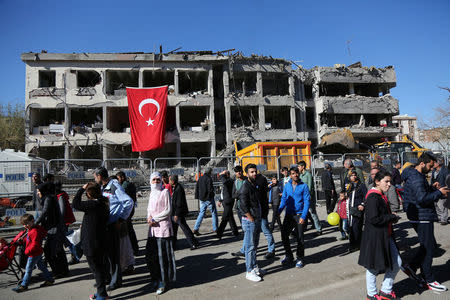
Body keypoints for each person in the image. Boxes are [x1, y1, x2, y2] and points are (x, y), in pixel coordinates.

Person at [401, 152, 449, 292]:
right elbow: (422, 199)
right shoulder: (416, 177)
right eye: (430, 165)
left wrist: (432, 188)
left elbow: (420, 193)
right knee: (428, 249)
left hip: (420, 216)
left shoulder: (416, 175)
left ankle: (412, 267)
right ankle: (429, 279)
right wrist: (439, 193)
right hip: (422, 217)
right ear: (422, 163)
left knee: (428, 246)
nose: (431, 168)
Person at [358, 170, 402, 300]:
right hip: (375, 237)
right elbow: (373, 219)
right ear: (377, 182)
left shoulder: (381, 194)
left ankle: (385, 290)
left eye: (390, 181)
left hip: (385, 235)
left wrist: (391, 218)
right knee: (373, 267)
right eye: (386, 181)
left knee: (397, 262)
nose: (389, 184)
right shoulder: (373, 197)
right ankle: (371, 294)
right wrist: (391, 217)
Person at [94, 167, 134, 291]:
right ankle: (107, 278)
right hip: (104, 226)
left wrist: (121, 219)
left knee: (113, 255)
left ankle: (116, 281)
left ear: (100, 176)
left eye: (95, 177)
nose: (95, 179)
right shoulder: (103, 188)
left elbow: (128, 202)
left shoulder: (114, 186)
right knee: (104, 255)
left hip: (112, 226)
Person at [72, 182, 110, 300]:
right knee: (100, 267)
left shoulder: (91, 205)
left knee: (96, 269)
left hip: (91, 242)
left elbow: (75, 204)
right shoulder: (103, 203)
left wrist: (81, 189)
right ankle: (101, 292)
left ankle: (102, 294)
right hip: (101, 240)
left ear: (88, 194)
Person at [146, 172, 176, 295]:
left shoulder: (165, 192)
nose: (156, 182)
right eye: (154, 180)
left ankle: (163, 282)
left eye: (158, 180)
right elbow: (149, 209)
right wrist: (148, 218)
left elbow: (168, 210)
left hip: (163, 229)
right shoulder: (151, 194)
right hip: (152, 231)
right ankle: (155, 278)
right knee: (151, 257)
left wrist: (154, 219)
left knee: (162, 257)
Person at [12, 214, 54, 293]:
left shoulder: (34, 231)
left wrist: (27, 251)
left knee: (28, 269)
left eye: (27, 223)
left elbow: (35, 244)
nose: (25, 226)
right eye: (24, 224)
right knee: (41, 267)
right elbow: (29, 240)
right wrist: (22, 240)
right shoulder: (31, 229)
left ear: (32, 221)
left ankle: (24, 285)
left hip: (33, 253)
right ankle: (49, 279)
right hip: (36, 252)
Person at [239, 163, 267, 282]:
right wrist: (250, 217)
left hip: (256, 218)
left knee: (254, 246)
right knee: (250, 247)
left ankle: (255, 267)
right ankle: (249, 271)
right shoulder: (245, 186)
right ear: (247, 173)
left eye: (255, 171)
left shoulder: (253, 183)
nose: (254, 173)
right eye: (251, 172)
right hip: (250, 220)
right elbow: (242, 204)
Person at [35, 181, 68, 278]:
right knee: (58, 250)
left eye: (39, 191)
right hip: (54, 228)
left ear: (43, 191)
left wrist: (35, 223)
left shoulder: (48, 199)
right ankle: (63, 270)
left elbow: (44, 212)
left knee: (49, 250)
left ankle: (58, 271)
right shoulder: (50, 197)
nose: (37, 193)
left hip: (55, 229)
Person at [279, 166, 310, 269]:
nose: (295, 175)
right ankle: (289, 256)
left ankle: (300, 258)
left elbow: (306, 202)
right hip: (289, 215)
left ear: (299, 173)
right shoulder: (287, 186)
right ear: (290, 175)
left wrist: (304, 216)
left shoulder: (304, 186)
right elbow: (284, 199)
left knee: (299, 238)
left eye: (296, 173)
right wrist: (278, 211)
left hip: (299, 215)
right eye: (293, 173)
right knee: (284, 236)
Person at [170, 174, 199, 250]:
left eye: (170, 180)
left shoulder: (178, 189)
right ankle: (173, 244)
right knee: (174, 229)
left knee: (185, 229)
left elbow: (179, 203)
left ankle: (193, 243)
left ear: (172, 181)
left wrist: (176, 214)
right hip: (175, 212)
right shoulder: (176, 187)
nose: (169, 182)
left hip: (178, 213)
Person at [55, 181, 79, 265]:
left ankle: (75, 255)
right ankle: (75, 255)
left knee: (65, 239)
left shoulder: (60, 196)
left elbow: (62, 210)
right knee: (65, 238)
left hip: (63, 221)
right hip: (64, 221)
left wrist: (59, 220)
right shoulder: (61, 195)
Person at [116, 171, 139, 256]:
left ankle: (135, 248)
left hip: (127, 210)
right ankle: (134, 248)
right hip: (130, 209)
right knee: (129, 229)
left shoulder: (125, 185)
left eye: (118, 178)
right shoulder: (128, 184)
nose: (118, 181)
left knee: (129, 229)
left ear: (122, 177)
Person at [298, 160, 322, 235]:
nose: (298, 168)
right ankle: (301, 229)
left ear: (303, 167)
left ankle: (319, 229)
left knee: (313, 213)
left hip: (309, 197)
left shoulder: (308, 175)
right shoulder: (300, 175)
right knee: (302, 213)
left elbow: (310, 187)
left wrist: (307, 197)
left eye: (299, 166)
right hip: (302, 197)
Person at [346, 170, 367, 253]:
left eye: (355, 175)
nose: (353, 177)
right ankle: (352, 244)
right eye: (352, 175)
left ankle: (357, 244)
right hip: (350, 209)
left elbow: (366, 196)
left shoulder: (361, 185)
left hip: (358, 209)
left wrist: (362, 204)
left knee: (356, 227)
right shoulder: (349, 186)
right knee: (350, 227)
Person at [193, 167, 218, 235]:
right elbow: (210, 189)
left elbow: (197, 188)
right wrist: (212, 195)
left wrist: (197, 196)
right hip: (208, 198)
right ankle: (215, 228)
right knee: (213, 213)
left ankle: (196, 228)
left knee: (201, 213)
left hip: (202, 198)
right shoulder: (209, 179)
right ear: (210, 172)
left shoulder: (200, 178)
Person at [217, 170, 239, 239]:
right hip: (225, 201)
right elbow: (224, 191)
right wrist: (220, 200)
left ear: (227, 175)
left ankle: (219, 234)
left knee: (224, 218)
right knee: (230, 217)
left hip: (228, 201)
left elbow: (224, 182)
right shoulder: (226, 181)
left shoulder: (230, 181)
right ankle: (235, 232)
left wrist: (222, 175)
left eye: (224, 174)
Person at [431, 158, 449, 225]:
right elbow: (432, 180)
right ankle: (439, 217)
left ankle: (444, 219)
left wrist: (443, 187)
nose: (433, 164)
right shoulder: (434, 171)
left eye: (434, 163)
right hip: (435, 190)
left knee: (442, 205)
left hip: (443, 189)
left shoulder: (445, 171)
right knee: (436, 204)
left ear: (438, 164)